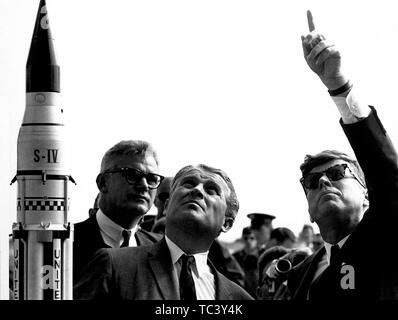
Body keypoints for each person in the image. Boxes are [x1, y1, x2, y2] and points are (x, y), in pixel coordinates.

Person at [287, 11, 398, 300]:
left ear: (366, 194)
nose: (322, 182)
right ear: (309, 212)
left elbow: (389, 181)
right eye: (311, 182)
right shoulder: (298, 275)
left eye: (337, 174)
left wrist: (339, 86)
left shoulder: (387, 238)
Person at [74, 164, 253, 300]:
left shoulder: (238, 298)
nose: (197, 190)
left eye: (211, 190)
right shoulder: (114, 266)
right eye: (189, 183)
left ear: (226, 223)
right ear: (166, 206)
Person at [73, 140, 163, 283]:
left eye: (152, 179)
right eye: (132, 175)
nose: (144, 186)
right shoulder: (65, 243)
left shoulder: (161, 250)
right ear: (103, 182)